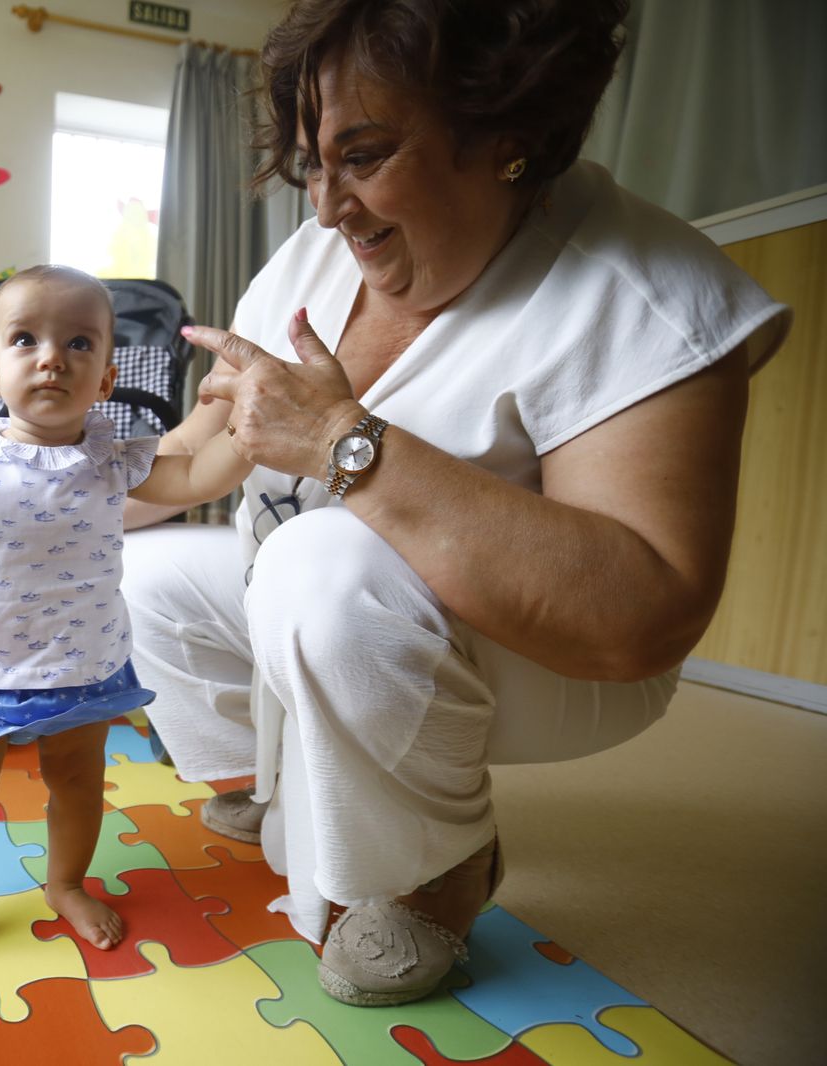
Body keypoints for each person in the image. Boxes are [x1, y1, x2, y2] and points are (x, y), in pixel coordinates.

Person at [121, 0, 792, 1007]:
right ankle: (287, 784)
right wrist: (43, 491)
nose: (326, 210)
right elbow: (193, 452)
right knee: (139, 572)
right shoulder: (311, 261)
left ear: (508, 132)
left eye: (364, 156)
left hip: (548, 655)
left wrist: (342, 444)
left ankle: (439, 866)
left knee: (321, 561)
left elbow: (642, 617)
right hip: (325, 598)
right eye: (312, 165)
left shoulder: (642, 290)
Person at [0, 265, 252, 995]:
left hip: (82, 661)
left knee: (77, 783)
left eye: (79, 343)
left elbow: (198, 478)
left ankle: (66, 883)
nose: (52, 358)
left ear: (105, 379)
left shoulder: (112, 457)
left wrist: (249, 432)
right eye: (26, 340)